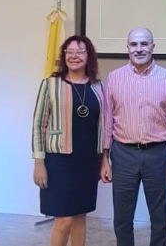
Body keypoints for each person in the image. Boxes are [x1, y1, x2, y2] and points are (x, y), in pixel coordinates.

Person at [99, 27, 166, 246]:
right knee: (122, 217)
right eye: (134, 44)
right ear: (127, 48)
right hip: (123, 154)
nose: (139, 49)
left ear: (153, 47)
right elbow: (108, 120)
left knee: (159, 218)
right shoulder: (114, 78)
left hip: (158, 155)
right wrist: (105, 159)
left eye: (144, 44)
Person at [31, 35, 107, 246]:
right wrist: (39, 162)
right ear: (64, 56)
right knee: (63, 221)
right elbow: (38, 125)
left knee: (80, 216)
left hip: (88, 161)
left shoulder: (98, 87)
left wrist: (103, 160)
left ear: (88, 56)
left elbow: (103, 125)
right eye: (69, 51)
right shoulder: (50, 84)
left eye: (80, 52)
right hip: (59, 162)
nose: (74, 56)